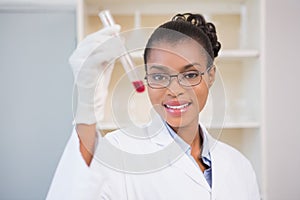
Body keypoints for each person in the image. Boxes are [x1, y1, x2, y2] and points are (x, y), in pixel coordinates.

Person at [46, 13, 260, 200]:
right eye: (159, 76)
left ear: (211, 75)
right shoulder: (118, 153)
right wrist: (86, 108)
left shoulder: (238, 164)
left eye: (191, 74)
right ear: (146, 78)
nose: (175, 90)